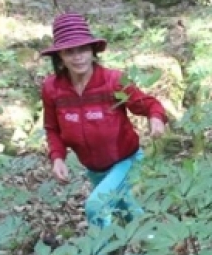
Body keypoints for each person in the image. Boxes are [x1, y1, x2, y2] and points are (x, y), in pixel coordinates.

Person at [40, 12, 167, 229]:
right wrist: (58, 158)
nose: (78, 56)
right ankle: (153, 245)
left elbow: (147, 103)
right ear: (60, 55)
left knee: (96, 208)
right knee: (127, 211)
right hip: (93, 168)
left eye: (83, 49)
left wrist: (156, 119)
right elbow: (52, 128)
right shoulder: (53, 89)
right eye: (70, 51)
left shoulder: (113, 81)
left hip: (126, 161)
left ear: (93, 51)